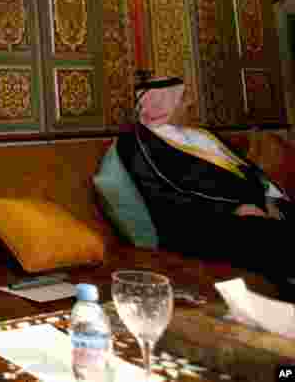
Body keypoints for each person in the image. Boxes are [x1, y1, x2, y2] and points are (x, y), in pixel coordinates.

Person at [114, 75, 293, 298]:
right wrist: (234, 207)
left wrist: (266, 200)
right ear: (162, 101)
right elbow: (165, 194)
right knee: (269, 237)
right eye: (183, 98)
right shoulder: (137, 141)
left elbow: (245, 169)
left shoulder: (201, 134)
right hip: (197, 223)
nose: (190, 104)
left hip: (252, 208)